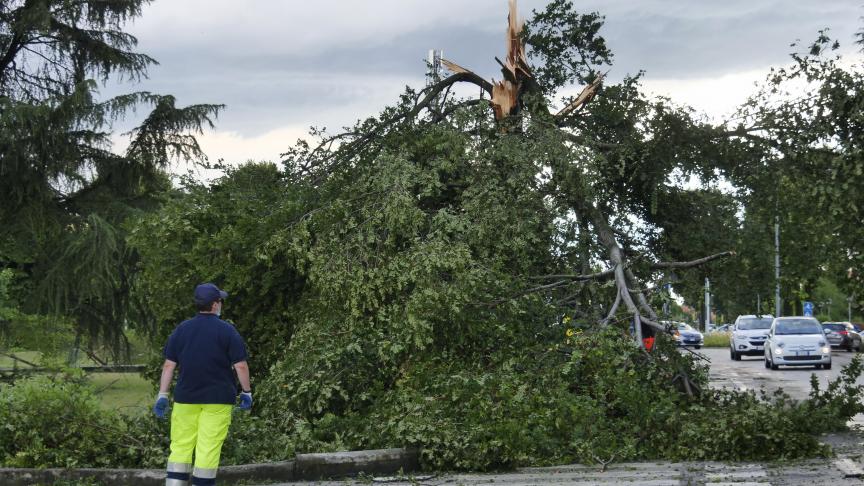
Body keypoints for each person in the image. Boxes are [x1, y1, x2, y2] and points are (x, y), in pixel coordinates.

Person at [153, 283, 252, 486]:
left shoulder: (182, 330)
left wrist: (162, 394)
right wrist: (246, 392)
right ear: (215, 304)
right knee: (207, 449)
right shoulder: (227, 331)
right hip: (218, 400)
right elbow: (240, 366)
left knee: (180, 446)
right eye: (220, 301)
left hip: (185, 399)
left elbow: (168, 365)